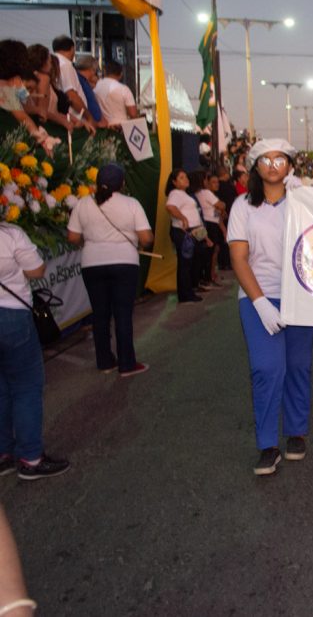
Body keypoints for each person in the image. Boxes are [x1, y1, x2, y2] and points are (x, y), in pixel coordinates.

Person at [228, 139, 313, 475]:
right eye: (265, 159)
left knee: (297, 365)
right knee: (266, 369)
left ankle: (296, 431)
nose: (273, 164)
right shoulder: (242, 206)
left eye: (281, 158)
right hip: (257, 296)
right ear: (255, 167)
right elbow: (238, 258)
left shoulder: (303, 201)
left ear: (290, 166)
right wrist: (260, 302)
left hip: (300, 295)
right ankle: (268, 444)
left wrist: (306, 196)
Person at [67, 164, 153, 377]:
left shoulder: (83, 204)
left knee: (100, 314)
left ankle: (105, 361)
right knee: (123, 313)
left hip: (92, 263)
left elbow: (72, 237)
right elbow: (146, 238)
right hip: (125, 262)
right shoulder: (131, 204)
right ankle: (127, 364)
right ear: (122, 183)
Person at [0, 223, 71, 479]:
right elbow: (36, 270)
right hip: (10, 316)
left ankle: (4, 453)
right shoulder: (9, 234)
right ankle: (31, 457)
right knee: (26, 385)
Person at [164, 168, 209, 304]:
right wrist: (183, 218)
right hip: (185, 232)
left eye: (186, 176)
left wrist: (205, 237)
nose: (186, 179)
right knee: (185, 264)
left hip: (195, 231)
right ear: (174, 182)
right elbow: (170, 207)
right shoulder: (176, 193)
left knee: (193, 261)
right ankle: (185, 294)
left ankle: (190, 290)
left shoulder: (185, 194)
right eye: (181, 177)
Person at [194, 171, 227, 287]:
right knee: (211, 251)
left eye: (217, 182)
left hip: (209, 224)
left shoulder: (199, 194)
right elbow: (221, 206)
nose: (217, 184)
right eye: (212, 182)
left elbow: (219, 213)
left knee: (211, 251)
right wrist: (221, 206)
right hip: (209, 224)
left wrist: (223, 229)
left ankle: (210, 275)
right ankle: (209, 276)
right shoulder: (206, 193)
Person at [92, 59, 138, 127]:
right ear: (121, 74)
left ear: (104, 72)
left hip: (101, 127)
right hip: (120, 127)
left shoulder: (95, 87)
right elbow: (133, 114)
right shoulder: (123, 89)